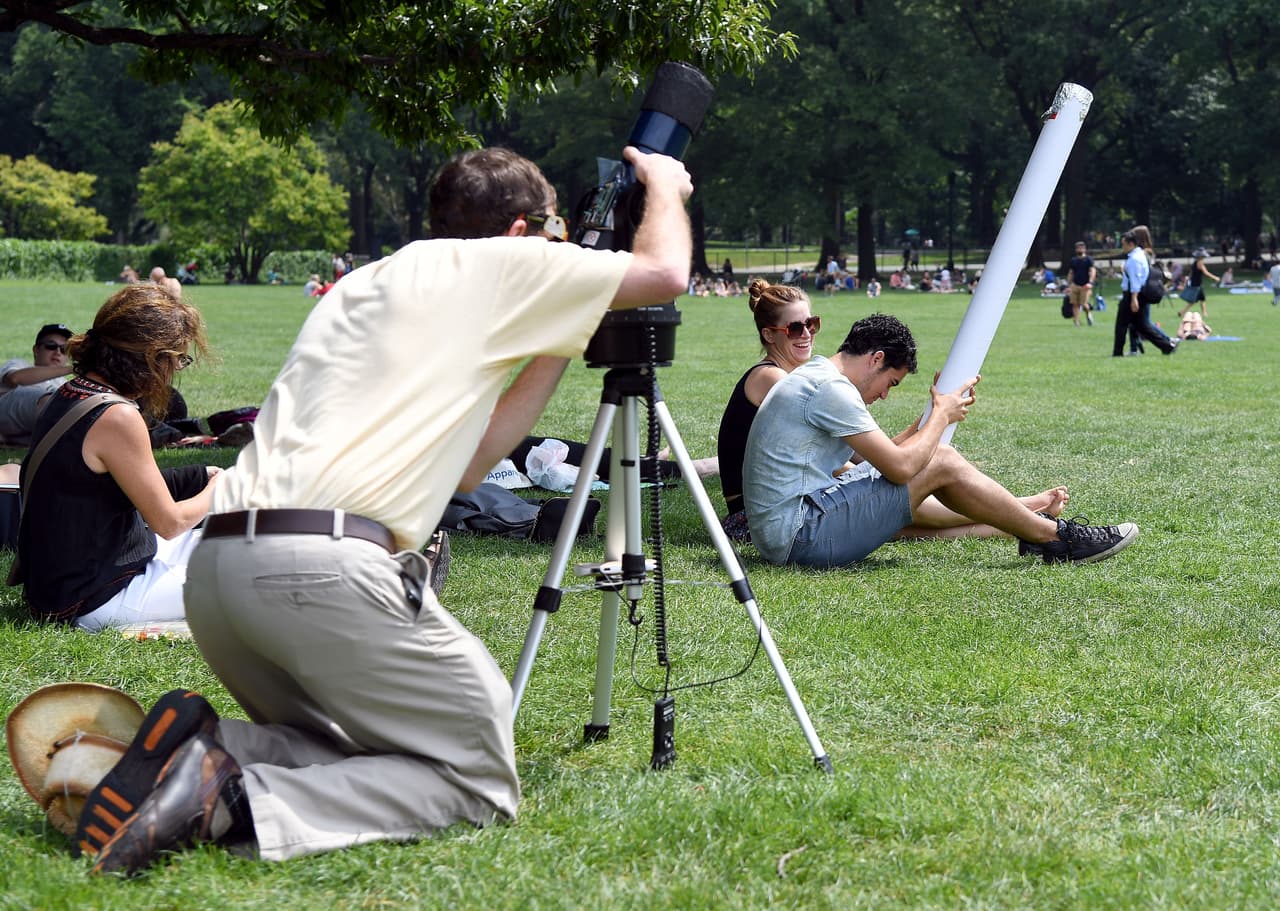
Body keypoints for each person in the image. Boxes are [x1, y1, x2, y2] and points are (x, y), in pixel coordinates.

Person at [77, 144, 695, 876]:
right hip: (320, 569)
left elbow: (469, 466)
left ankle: (204, 746)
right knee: (476, 776)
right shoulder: (505, 263)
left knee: (360, 749)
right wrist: (664, 185)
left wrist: (561, 327)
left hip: (220, 573)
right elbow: (666, 273)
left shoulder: (370, 282)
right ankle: (233, 794)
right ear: (522, 231)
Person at [743, 312, 1138, 569]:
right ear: (876, 358)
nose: (884, 395)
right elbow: (900, 468)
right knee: (943, 459)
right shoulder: (830, 390)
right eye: (890, 383)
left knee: (931, 470)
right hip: (800, 536)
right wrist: (942, 420)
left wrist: (931, 419)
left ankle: (1030, 525)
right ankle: (1056, 538)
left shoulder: (815, 376)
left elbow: (874, 462)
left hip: (789, 532)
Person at [12, 286, 218, 630]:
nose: (177, 370)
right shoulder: (117, 416)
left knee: (230, 545)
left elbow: (110, 485)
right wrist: (218, 488)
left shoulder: (72, 393)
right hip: (94, 598)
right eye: (178, 359)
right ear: (153, 359)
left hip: (65, 583)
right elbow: (169, 524)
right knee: (248, 570)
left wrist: (200, 474)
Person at [0, 324, 73, 445]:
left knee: (73, 406)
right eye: (51, 346)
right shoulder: (20, 364)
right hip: (5, 411)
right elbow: (15, 378)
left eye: (64, 349)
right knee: (54, 401)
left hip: (24, 428)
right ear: (36, 350)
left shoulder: (63, 382)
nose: (58, 352)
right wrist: (72, 369)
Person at [1112, 225, 1177, 357]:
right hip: (1138, 294)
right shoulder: (1140, 255)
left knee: (1121, 325)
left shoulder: (1134, 259)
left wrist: (1134, 298)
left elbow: (1136, 280)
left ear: (1131, 244)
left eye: (1123, 244)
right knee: (1142, 326)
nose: (1122, 247)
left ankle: (1117, 353)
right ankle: (1167, 346)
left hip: (1133, 294)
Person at [1177, 249, 1220, 318]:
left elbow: (1191, 273)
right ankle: (1183, 312)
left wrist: (1188, 280)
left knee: (1201, 299)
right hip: (1197, 284)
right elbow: (1206, 273)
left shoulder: (1195, 263)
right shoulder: (1200, 263)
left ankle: (1203, 313)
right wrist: (1215, 278)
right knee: (1196, 300)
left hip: (1195, 283)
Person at [1067, 240, 1096, 326]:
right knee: (1075, 304)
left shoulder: (1088, 260)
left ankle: (1088, 314)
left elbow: (1092, 271)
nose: (1080, 249)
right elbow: (1071, 272)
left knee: (1084, 304)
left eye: (1081, 248)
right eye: (1078, 248)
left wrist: (1090, 282)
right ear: (1076, 250)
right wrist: (1069, 284)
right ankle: (1076, 322)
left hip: (1085, 285)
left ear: (1084, 249)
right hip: (1075, 285)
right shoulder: (1073, 260)